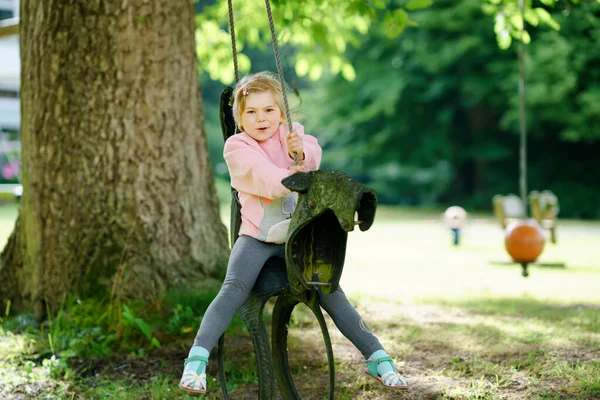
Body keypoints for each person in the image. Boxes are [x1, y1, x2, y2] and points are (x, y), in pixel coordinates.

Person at [179, 71, 408, 394]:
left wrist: (303, 151)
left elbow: (313, 157)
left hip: (297, 238)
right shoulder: (237, 146)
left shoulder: (291, 135)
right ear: (240, 118)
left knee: (330, 290)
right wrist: (293, 172)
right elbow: (266, 178)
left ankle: (378, 358)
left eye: (269, 110)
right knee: (233, 288)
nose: (262, 119)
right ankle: (196, 362)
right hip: (257, 238)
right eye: (252, 112)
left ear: (281, 113)